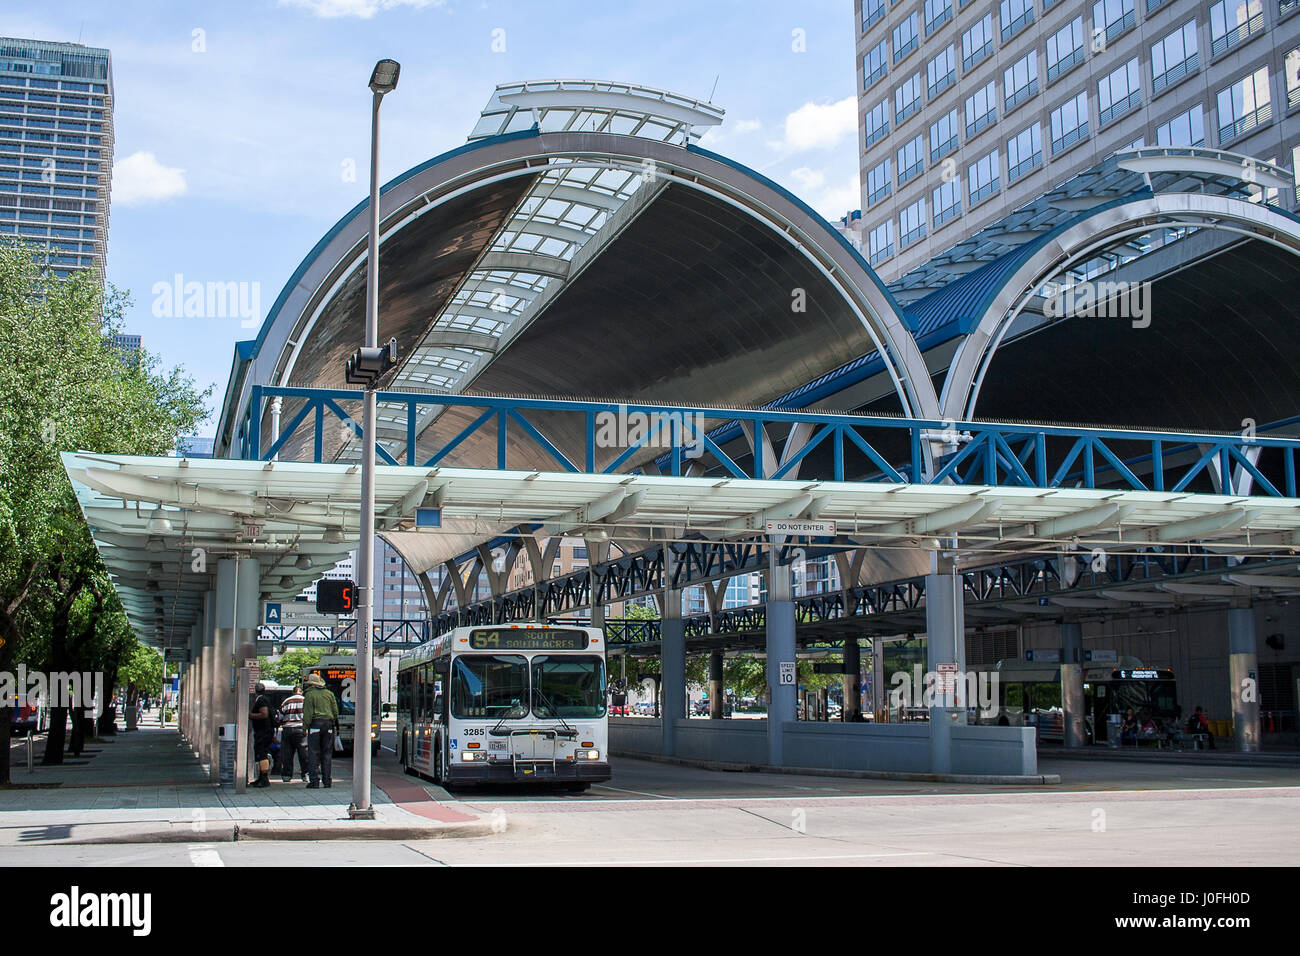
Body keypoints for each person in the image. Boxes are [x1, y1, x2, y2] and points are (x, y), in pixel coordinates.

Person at [301, 672, 340, 789]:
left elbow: (308, 713)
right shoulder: (329, 694)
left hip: (315, 725)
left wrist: (304, 727)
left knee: (313, 753)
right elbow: (335, 711)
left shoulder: (309, 695)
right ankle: (327, 780)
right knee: (327, 754)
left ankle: (314, 781)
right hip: (328, 725)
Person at [278, 684, 308, 783]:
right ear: (301, 692)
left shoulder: (286, 701)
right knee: (303, 754)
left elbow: (280, 717)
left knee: (287, 754)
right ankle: (305, 775)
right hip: (300, 729)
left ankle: (287, 775)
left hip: (287, 730)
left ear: (293, 692)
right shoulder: (305, 700)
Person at [249, 681, 275, 788]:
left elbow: (264, 714)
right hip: (265, 731)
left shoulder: (261, 700)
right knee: (261, 753)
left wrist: (250, 715)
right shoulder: (264, 699)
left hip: (263, 731)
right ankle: (261, 777)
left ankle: (264, 778)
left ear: (255, 691)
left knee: (262, 753)